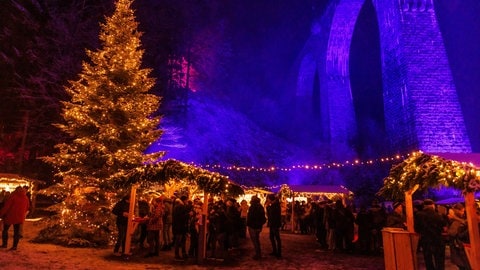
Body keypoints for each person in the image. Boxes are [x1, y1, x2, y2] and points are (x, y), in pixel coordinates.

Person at [414, 199, 447, 270]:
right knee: (439, 260)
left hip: (426, 240)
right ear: (432, 205)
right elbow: (444, 228)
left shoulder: (419, 215)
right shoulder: (438, 215)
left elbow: (416, 228)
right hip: (438, 240)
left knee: (428, 260)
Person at [0, 186, 30, 250]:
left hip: (10, 216)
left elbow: (6, 207)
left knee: (5, 230)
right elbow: (27, 207)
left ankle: (4, 244)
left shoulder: (13, 196)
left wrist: (1, 214)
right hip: (19, 217)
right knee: (16, 232)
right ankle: (14, 246)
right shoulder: (26, 198)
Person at [447, 203, 471, 270]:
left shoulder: (455, 219)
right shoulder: (455, 221)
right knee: (463, 265)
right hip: (458, 247)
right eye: (462, 211)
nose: (463, 213)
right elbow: (452, 233)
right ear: (457, 210)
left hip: (458, 247)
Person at [247, 195, 266, 260]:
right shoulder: (260, 207)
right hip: (258, 226)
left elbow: (251, 217)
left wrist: (249, 223)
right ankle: (258, 253)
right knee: (257, 240)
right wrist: (260, 225)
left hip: (252, 226)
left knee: (255, 241)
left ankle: (258, 254)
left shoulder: (252, 207)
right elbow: (263, 218)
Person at [172, 195, 189, 261]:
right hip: (180, 227)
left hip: (178, 226)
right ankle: (178, 255)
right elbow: (181, 217)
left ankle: (182, 253)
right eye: (186, 200)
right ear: (184, 200)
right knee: (179, 241)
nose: (187, 201)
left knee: (181, 240)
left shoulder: (177, 206)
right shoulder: (181, 207)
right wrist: (188, 215)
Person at [266, 194, 282, 258]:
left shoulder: (275, 205)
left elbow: (271, 215)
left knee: (277, 238)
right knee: (272, 237)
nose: (267, 200)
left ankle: (279, 253)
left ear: (270, 199)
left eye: (268, 199)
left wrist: (268, 207)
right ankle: (275, 251)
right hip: (273, 224)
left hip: (275, 224)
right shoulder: (274, 205)